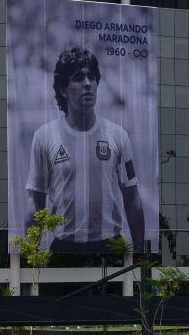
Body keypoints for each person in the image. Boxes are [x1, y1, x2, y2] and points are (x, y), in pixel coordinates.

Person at [25, 46, 145, 254]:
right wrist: (29, 257)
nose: (87, 84)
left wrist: (141, 252)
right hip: (64, 249)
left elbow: (132, 197)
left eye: (92, 77)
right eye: (78, 78)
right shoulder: (44, 137)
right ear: (63, 89)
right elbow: (36, 203)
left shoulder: (118, 135)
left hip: (111, 247)